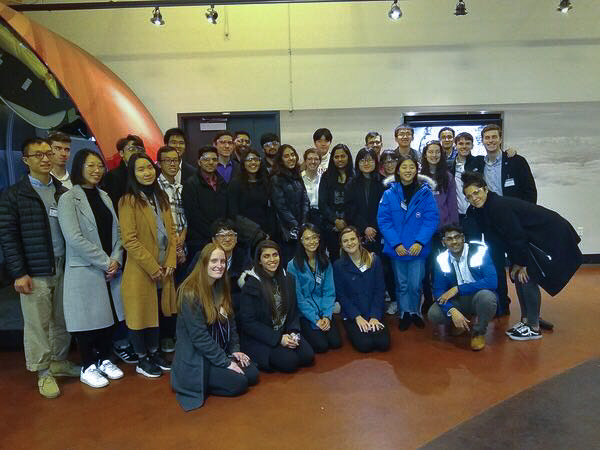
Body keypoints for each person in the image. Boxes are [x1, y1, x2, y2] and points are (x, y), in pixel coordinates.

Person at [0, 138, 80, 398]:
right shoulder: (14, 194)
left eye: (49, 153)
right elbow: (8, 237)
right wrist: (18, 272)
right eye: (38, 155)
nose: (46, 159)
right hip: (34, 271)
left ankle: (58, 361)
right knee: (38, 324)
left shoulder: (62, 192)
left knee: (62, 320)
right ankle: (43, 372)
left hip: (63, 265)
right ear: (25, 160)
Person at [462, 171, 582, 340]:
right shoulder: (486, 208)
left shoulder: (497, 206)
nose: (474, 198)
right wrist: (516, 263)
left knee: (526, 276)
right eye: (469, 196)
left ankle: (533, 326)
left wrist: (522, 264)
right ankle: (527, 320)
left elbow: (516, 236)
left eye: (476, 192)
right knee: (518, 275)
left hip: (551, 233)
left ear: (486, 189)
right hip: (532, 238)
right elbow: (506, 238)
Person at [57, 149, 125, 387]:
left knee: (109, 318)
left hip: (109, 269)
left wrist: (116, 258)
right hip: (85, 269)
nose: (97, 171)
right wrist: (107, 262)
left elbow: (118, 233)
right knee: (86, 321)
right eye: (90, 166)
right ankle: (87, 366)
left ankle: (105, 359)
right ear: (79, 168)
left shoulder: (104, 196)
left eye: (99, 166)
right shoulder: (68, 198)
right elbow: (74, 237)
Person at [171, 243, 259, 412]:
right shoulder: (190, 293)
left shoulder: (220, 286)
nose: (219, 265)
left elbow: (231, 324)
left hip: (219, 350)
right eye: (214, 261)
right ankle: (203, 382)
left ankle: (219, 374)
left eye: (223, 261)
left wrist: (235, 350)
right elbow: (199, 338)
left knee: (252, 374)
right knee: (239, 383)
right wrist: (226, 363)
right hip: (197, 357)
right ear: (203, 263)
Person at [119, 153, 177, 377]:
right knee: (140, 315)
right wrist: (153, 267)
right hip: (142, 270)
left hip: (165, 267)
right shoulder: (128, 200)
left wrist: (170, 260)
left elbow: (171, 232)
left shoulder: (161, 197)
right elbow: (129, 240)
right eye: (141, 169)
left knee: (157, 313)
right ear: (133, 174)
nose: (147, 172)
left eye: (149, 168)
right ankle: (142, 359)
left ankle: (154, 353)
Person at [469, 124, 536, 317]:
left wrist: (525, 218)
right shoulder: (478, 165)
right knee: (496, 266)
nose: (490, 141)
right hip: (491, 224)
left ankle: (529, 314)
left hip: (515, 224)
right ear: (482, 141)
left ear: (500, 139)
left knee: (522, 266)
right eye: (486, 138)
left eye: (493, 137)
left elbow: (530, 191)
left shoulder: (516, 161)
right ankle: (502, 306)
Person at [377, 154, 440, 331]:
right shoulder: (389, 194)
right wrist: (396, 244)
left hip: (417, 248)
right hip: (398, 249)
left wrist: (420, 241)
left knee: (416, 283)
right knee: (402, 283)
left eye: (411, 167)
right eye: (404, 167)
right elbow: (384, 220)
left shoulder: (425, 193)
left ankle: (415, 312)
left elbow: (431, 219)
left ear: (416, 170)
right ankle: (404, 312)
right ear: (398, 170)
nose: (408, 170)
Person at [239, 240, 315, 372]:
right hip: (261, 337)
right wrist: (278, 339)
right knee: (290, 362)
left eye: (275, 255)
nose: (272, 259)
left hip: (284, 331)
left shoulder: (288, 279)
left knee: (307, 357)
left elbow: (293, 312)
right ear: (259, 261)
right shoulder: (251, 284)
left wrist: (293, 332)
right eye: (266, 256)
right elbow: (248, 323)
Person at [427, 224, 498, 351]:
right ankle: (459, 321)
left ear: (463, 238)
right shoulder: (441, 259)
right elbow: (438, 291)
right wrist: (452, 311)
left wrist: (458, 289)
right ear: (443, 242)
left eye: (457, 237)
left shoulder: (479, 251)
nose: (454, 242)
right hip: (458, 300)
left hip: (478, 295)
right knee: (434, 314)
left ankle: (478, 332)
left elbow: (492, 282)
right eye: (449, 239)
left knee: (487, 298)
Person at [333, 227, 389, 353]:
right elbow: (341, 295)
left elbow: (380, 290)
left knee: (383, 343)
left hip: (373, 310)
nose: (350, 243)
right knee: (365, 345)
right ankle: (351, 328)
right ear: (342, 245)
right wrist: (357, 316)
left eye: (353, 239)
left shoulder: (374, 260)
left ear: (359, 240)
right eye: (345, 241)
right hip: (353, 314)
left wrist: (375, 316)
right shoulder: (338, 266)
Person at [287, 224, 341, 353]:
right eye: (307, 238)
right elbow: (299, 299)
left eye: (314, 237)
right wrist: (315, 319)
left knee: (335, 342)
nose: (312, 242)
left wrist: (327, 316)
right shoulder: (292, 265)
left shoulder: (325, 261)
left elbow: (329, 292)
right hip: (305, 314)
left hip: (324, 310)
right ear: (301, 241)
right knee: (321, 346)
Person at [419, 140, 458, 313]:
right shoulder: (418, 178)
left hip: (443, 231)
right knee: (425, 268)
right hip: (424, 232)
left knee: (442, 267)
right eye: (430, 152)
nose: (433, 155)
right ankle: (428, 299)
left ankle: (442, 298)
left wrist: (453, 229)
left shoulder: (447, 177)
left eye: (437, 152)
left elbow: (452, 204)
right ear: (425, 155)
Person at [157, 145, 187, 351]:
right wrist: (174, 246)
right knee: (165, 295)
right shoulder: (155, 188)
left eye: (175, 160)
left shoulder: (178, 186)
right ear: (158, 164)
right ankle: (166, 336)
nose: (172, 164)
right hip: (163, 249)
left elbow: (184, 219)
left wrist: (181, 241)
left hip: (180, 246)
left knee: (180, 293)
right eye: (167, 160)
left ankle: (179, 334)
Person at [182, 145, 228, 259]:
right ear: (199, 162)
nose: (211, 162)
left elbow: (228, 207)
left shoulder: (222, 182)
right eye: (206, 159)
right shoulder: (191, 184)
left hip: (221, 236)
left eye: (214, 159)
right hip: (199, 239)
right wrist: (212, 233)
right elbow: (192, 214)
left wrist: (221, 231)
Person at [270, 144, 310, 264]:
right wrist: (296, 225)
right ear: (281, 159)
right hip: (286, 231)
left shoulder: (297, 175)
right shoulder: (276, 178)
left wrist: (303, 223)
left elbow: (305, 200)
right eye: (286, 156)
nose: (291, 158)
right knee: (290, 263)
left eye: (292, 155)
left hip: (301, 226)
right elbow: (281, 207)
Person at [344, 147, 385, 254]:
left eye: (370, 160)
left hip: (379, 231)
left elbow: (385, 209)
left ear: (376, 162)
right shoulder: (351, 184)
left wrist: (373, 228)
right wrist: (365, 228)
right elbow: (350, 209)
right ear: (357, 163)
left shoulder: (383, 182)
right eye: (362, 160)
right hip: (358, 232)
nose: (366, 163)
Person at [228, 148, 274, 239]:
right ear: (243, 163)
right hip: (245, 233)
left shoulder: (265, 181)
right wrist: (256, 231)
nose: (253, 162)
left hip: (266, 233)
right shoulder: (235, 184)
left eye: (256, 159)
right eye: (249, 160)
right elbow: (233, 213)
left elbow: (269, 209)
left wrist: (269, 232)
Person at [318, 143, 354, 261]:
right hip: (331, 226)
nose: (340, 159)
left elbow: (357, 202)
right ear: (332, 159)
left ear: (348, 157)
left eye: (343, 156)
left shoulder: (355, 176)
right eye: (336, 157)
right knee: (335, 258)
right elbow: (322, 203)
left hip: (351, 224)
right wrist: (335, 220)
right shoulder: (326, 176)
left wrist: (345, 221)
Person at [101, 134, 145, 212]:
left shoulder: (145, 175)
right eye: (131, 149)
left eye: (140, 150)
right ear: (121, 153)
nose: (136, 153)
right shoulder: (113, 176)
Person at [301, 148, 322, 227]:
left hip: (320, 216)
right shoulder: (299, 179)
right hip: (303, 216)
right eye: (310, 159)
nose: (313, 162)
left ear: (320, 161)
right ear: (305, 161)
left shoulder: (323, 179)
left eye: (316, 159)